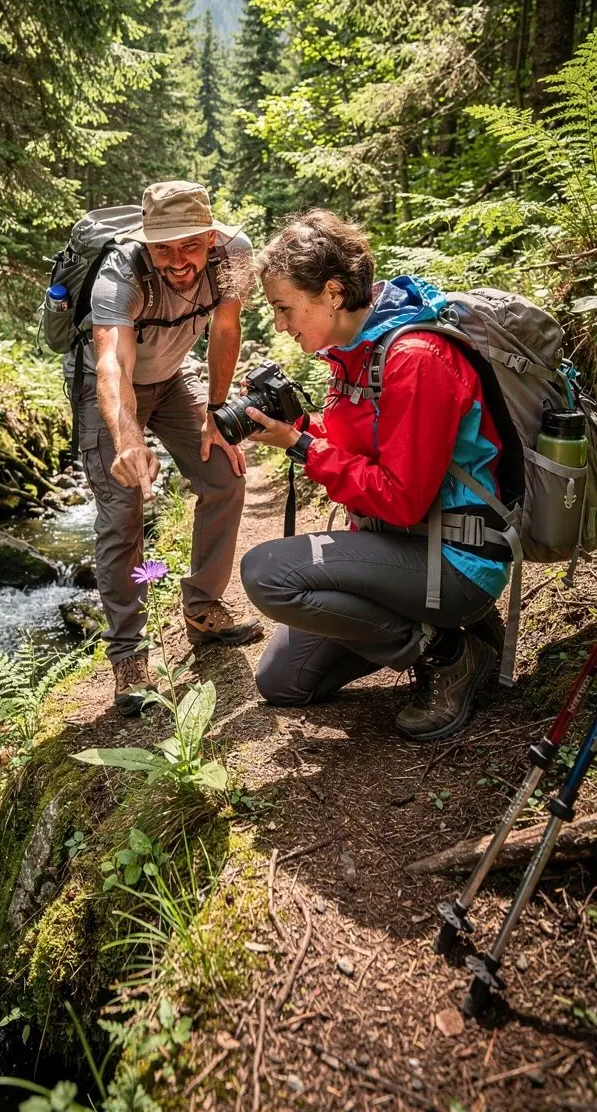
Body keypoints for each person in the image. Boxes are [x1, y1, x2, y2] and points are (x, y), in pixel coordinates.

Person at [239, 210, 508, 742]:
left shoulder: (415, 358)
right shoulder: (355, 353)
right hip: (402, 546)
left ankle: (452, 653)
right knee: (282, 682)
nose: (280, 325)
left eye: (284, 308)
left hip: (455, 557)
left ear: (333, 293)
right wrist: (298, 427)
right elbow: (365, 448)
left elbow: (403, 499)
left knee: (267, 573)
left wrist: (303, 447)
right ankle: (443, 633)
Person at [67, 180, 261, 716]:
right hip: (107, 391)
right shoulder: (119, 272)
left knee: (225, 472)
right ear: (146, 242)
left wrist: (216, 417)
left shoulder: (235, 253)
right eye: (164, 248)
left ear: (211, 234)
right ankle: (129, 655)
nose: (179, 261)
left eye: (190, 246)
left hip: (177, 377)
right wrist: (129, 441)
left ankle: (203, 610)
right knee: (123, 509)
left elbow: (226, 329)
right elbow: (112, 365)